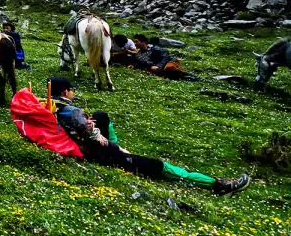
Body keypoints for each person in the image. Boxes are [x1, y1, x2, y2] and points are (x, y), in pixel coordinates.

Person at [49, 76, 249, 195]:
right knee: (160, 166)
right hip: (99, 153)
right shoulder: (72, 111)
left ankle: (118, 147)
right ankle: (218, 185)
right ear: (66, 91)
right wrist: (117, 149)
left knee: (101, 115)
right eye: (72, 90)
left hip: (84, 144)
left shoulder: (53, 105)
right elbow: (93, 137)